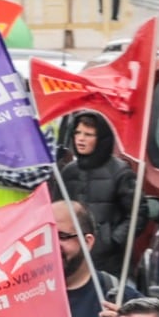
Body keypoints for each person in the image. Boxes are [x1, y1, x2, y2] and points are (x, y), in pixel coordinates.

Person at [55, 198, 135, 317]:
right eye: (44, 237)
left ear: (88, 241)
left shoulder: (119, 298)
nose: (52, 246)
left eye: (62, 236)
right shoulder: (23, 296)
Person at [58, 114, 136, 270]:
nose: (80, 139)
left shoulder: (120, 172)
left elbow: (136, 214)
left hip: (106, 260)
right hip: (72, 255)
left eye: (88, 135)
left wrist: (113, 241)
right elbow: (57, 210)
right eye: (77, 133)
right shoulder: (68, 171)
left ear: (101, 139)